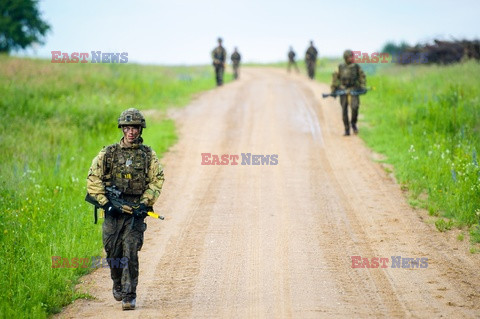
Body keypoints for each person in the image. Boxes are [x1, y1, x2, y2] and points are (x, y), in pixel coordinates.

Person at [87, 108, 165, 310]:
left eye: (135, 128)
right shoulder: (108, 154)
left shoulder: (148, 155)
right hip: (113, 214)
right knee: (113, 253)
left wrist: (144, 203)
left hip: (135, 214)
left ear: (141, 129)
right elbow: (93, 178)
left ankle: (130, 295)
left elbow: (157, 180)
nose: (131, 132)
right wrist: (106, 204)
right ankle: (117, 282)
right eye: (128, 127)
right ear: (122, 129)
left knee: (130, 251)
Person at [331, 50, 367, 136]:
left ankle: (353, 123)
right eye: (349, 57)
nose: (351, 58)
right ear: (345, 58)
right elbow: (335, 78)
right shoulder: (340, 67)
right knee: (344, 110)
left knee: (355, 107)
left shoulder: (356, 67)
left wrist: (363, 86)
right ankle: (347, 129)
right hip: (343, 89)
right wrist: (333, 89)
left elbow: (362, 76)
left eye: (352, 56)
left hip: (354, 89)